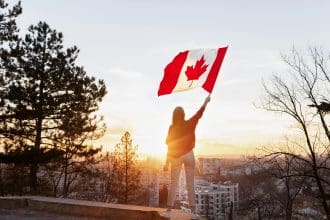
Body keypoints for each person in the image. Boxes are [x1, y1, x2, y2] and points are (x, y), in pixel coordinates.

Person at [160, 95, 211, 220]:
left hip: (176, 156)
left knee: (174, 183)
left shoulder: (172, 128)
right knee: (190, 184)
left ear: (174, 116)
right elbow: (199, 114)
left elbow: (170, 147)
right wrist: (205, 101)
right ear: (183, 115)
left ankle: (169, 210)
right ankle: (194, 213)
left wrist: (167, 163)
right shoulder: (189, 123)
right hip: (189, 155)